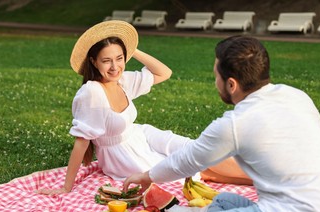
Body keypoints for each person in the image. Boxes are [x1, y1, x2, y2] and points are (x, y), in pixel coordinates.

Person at [123, 35, 320, 212]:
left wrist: (147, 176)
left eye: (216, 76)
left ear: (231, 84)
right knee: (226, 202)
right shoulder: (296, 96)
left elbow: (186, 161)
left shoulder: (237, 124)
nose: (215, 82)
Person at [37, 21, 251, 195]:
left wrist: (133, 49)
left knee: (195, 150)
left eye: (119, 58)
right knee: (197, 170)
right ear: (93, 62)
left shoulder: (123, 80)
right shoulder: (91, 93)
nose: (114, 67)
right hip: (122, 156)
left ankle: (266, 176)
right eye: (107, 61)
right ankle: (268, 177)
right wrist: (66, 187)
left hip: (143, 135)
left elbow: (163, 73)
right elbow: (81, 142)